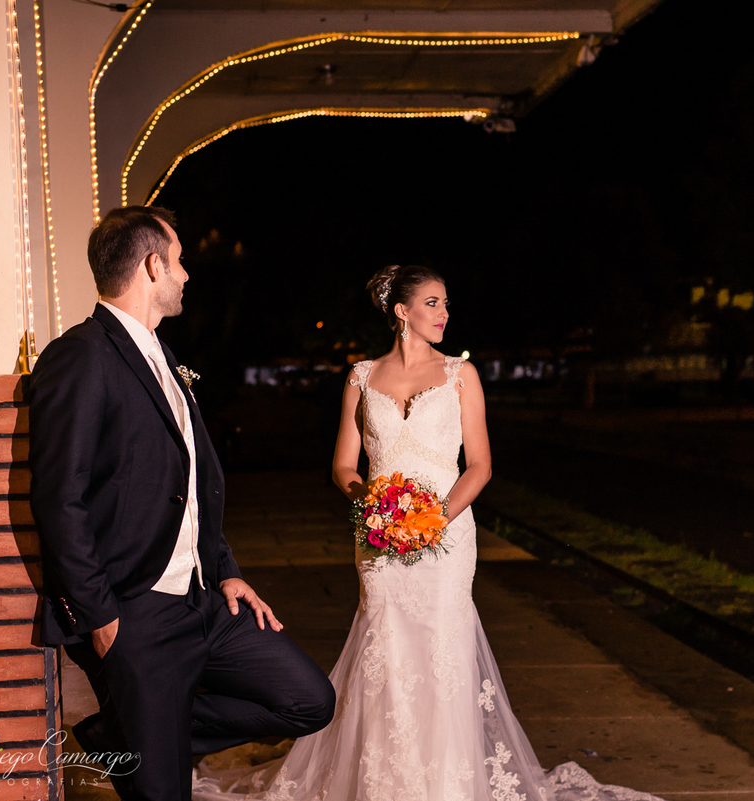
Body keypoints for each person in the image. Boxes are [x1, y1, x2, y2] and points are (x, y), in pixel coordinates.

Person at [192, 265, 660, 801]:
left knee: (442, 648)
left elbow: (479, 465)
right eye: (433, 303)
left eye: (445, 304)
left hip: (448, 538)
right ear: (401, 311)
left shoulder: (462, 375)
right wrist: (370, 503)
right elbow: (344, 464)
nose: (444, 313)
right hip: (378, 540)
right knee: (385, 647)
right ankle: (381, 780)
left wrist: (436, 517)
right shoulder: (361, 377)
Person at [30, 206, 335, 801]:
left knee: (307, 699)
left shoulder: (162, 356)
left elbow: (186, 488)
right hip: (135, 612)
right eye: (179, 260)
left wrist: (225, 572)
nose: (187, 275)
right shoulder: (82, 356)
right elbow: (59, 496)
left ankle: (119, 734)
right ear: (151, 264)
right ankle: (141, 740)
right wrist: (103, 619)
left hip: (202, 602)